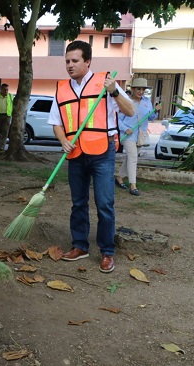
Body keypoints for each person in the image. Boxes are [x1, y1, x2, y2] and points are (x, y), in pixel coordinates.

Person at [47, 40, 134, 273]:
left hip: (102, 152)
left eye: (75, 61)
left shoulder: (106, 82)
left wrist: (114, 91)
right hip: (75, 153)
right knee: (78, 203)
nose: (70, 65)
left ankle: (107, 252)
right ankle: (80, 246)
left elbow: (130, 111)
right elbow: (56, 122)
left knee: (105, 203)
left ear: (87, 62)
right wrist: (63, 140)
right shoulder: (62, 88)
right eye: (67, 61)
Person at [115, 78, 160, 196]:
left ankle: (119, 177)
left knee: (130, 158)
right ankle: (133, 186)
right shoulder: (126, 101)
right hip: (128, 134)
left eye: (143, 89)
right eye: (138, 89)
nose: (141, 91)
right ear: (133, 89)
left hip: (141, 135)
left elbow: (151, 117)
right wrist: (125, 128)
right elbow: (118, 119)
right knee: (133, 158)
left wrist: (155, 111)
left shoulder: (147, 101)